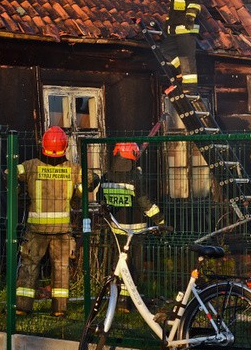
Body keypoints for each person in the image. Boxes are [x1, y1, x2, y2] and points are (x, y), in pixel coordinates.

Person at [14, 126, 90, 317]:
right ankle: (59, 310)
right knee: (61, 268)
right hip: (62, 230)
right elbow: (91, 180)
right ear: (65, 147)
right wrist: (76, 197)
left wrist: (19, 193)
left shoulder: (31, 166)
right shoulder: (73, 169)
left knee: (30, 266)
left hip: (35, 229)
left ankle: (23, 307)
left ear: (43, 145)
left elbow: (9, 173)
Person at [99, 142, 164, 311]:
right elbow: (144, 203)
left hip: (116, 230)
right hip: (135, 231)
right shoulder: (135, 177)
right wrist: (160, 220)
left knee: (118, 265)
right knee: (132, 266)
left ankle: (117, 299)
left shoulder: (106, 176)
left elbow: (102, 201)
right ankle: (127, 302)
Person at [163, 0, 203, 97]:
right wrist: (167, 26)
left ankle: (190, 90)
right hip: (175, 31)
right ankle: (180, 70)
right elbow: (173, 13)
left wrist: (190, 17)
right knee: (165, 52)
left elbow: (194, 4)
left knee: (187, 60)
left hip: (187, 30)